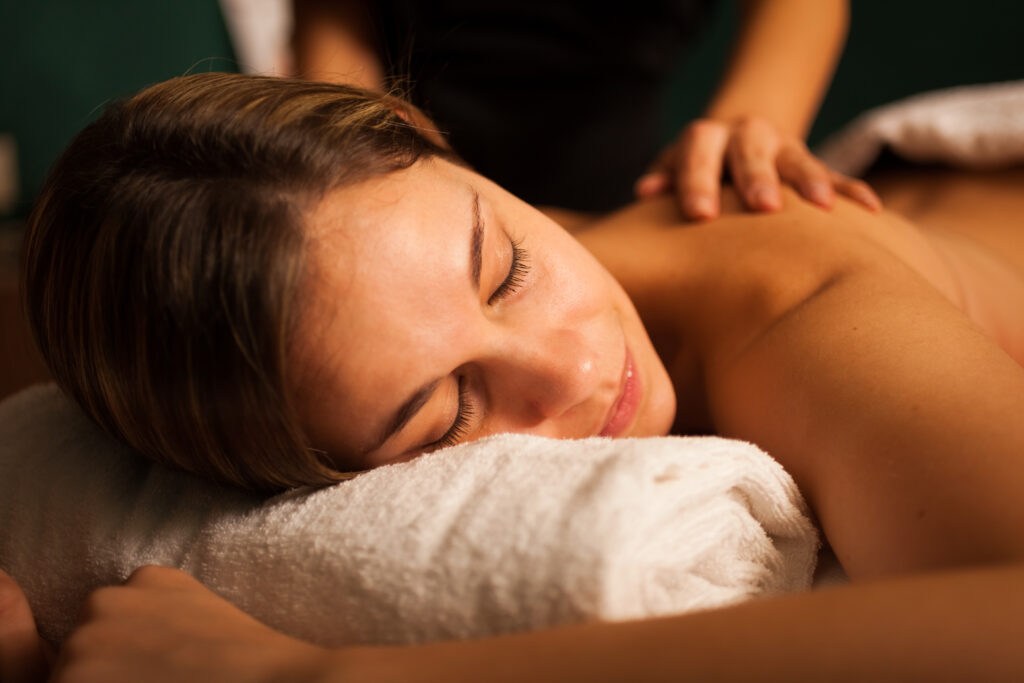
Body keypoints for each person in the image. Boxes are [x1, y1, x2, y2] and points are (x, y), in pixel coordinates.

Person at [8, 72, 1024, 681]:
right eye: (446, 408)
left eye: (508, 268)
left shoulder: (800, 318)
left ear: (436, 147)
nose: (576, 366)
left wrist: (303, 673)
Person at [291, 0, 881, 216]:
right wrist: (352, 132)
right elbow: (337, 16)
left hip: (615, 191)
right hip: (398, 177)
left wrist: (756, 119)